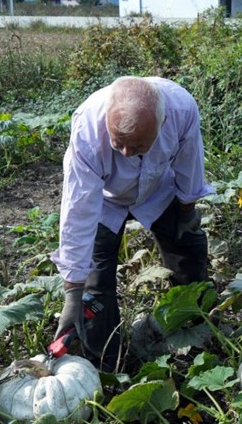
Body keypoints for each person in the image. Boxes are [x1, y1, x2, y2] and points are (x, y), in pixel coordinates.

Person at [52, 76, 213, 370]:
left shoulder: (180, 110)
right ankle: (107, 365)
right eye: (118, 143)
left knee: (188, 251)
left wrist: (187, 212)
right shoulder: (88, 130)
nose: (126, 153)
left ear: (161, 125)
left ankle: (190, 324)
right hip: (105, 199)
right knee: (95, 284)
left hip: (159, 189)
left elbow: (189, 165)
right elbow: (78, 211)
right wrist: (72, 294)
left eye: (138, 145)